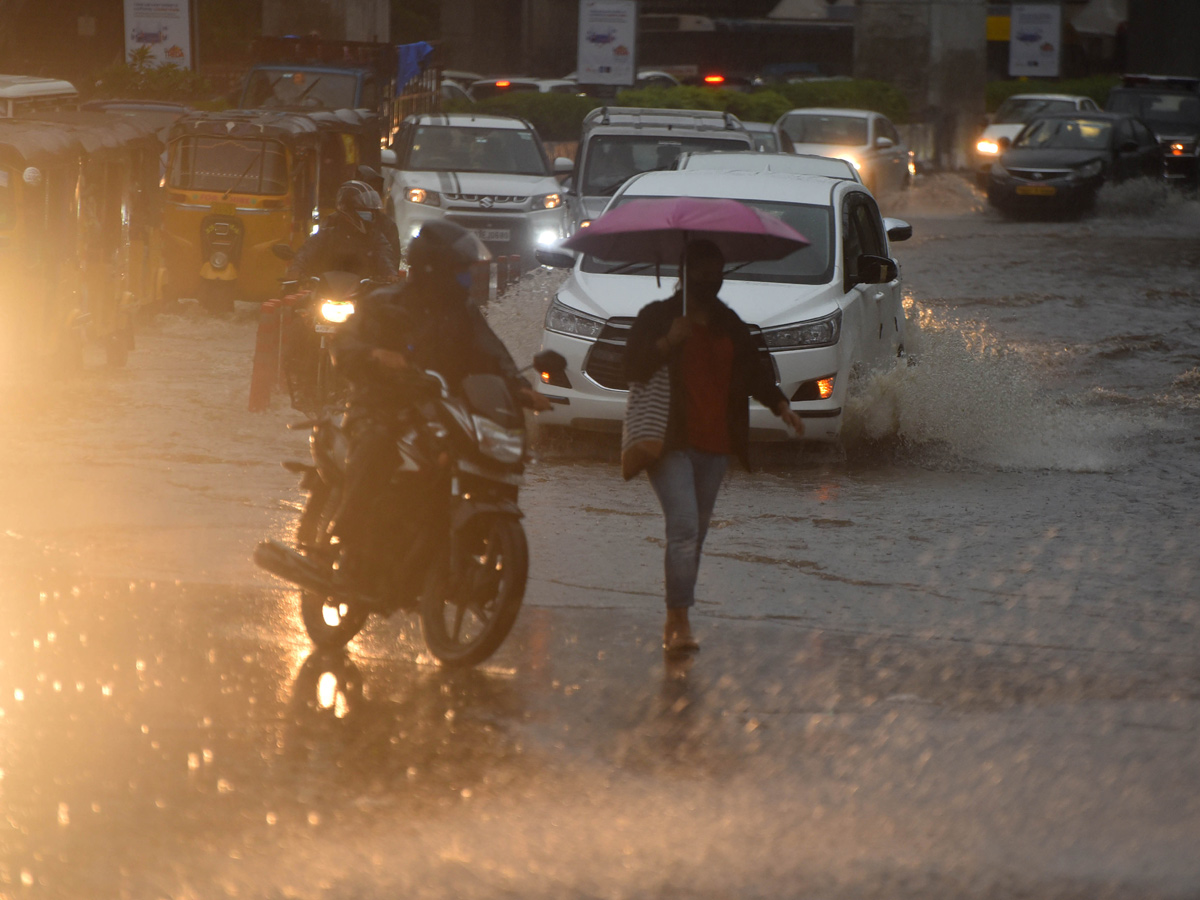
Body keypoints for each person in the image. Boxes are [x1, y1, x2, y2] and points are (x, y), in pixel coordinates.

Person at [328, 220, 551, 596]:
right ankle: (348, 542)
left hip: (439, 408)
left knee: (481, 454)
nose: (466, 279)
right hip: (380, 406)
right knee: (378, 447)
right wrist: (374, 355)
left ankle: (448, 545)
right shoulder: (384, 304)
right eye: (460, 272)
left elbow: (492, 357)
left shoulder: (462, 313)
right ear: (435, 271)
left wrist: (521, 389)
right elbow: (342, 347)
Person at [624, 239, 804, 652]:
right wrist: (668, 341)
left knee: (697, 534)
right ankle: (679, 621)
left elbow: (755, 371)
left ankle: (678, 611)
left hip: (716, 444)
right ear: (685, 274)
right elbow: (630, 367)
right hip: (670, 441)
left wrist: (781, 406)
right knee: (684, 527)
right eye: (702, 273)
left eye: (717, 273)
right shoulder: (658, 317)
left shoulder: (729, 322)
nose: (710, 281)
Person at [287, 179, 398, 282]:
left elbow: (384, 254)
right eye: (363, 211)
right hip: (326, 291)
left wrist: (390, 274)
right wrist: (296, 269)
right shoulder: (327, 234)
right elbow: (307, 250)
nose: (368, 215)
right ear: (347, 210)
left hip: (363, 293)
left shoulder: (375, 237)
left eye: (370, 211)